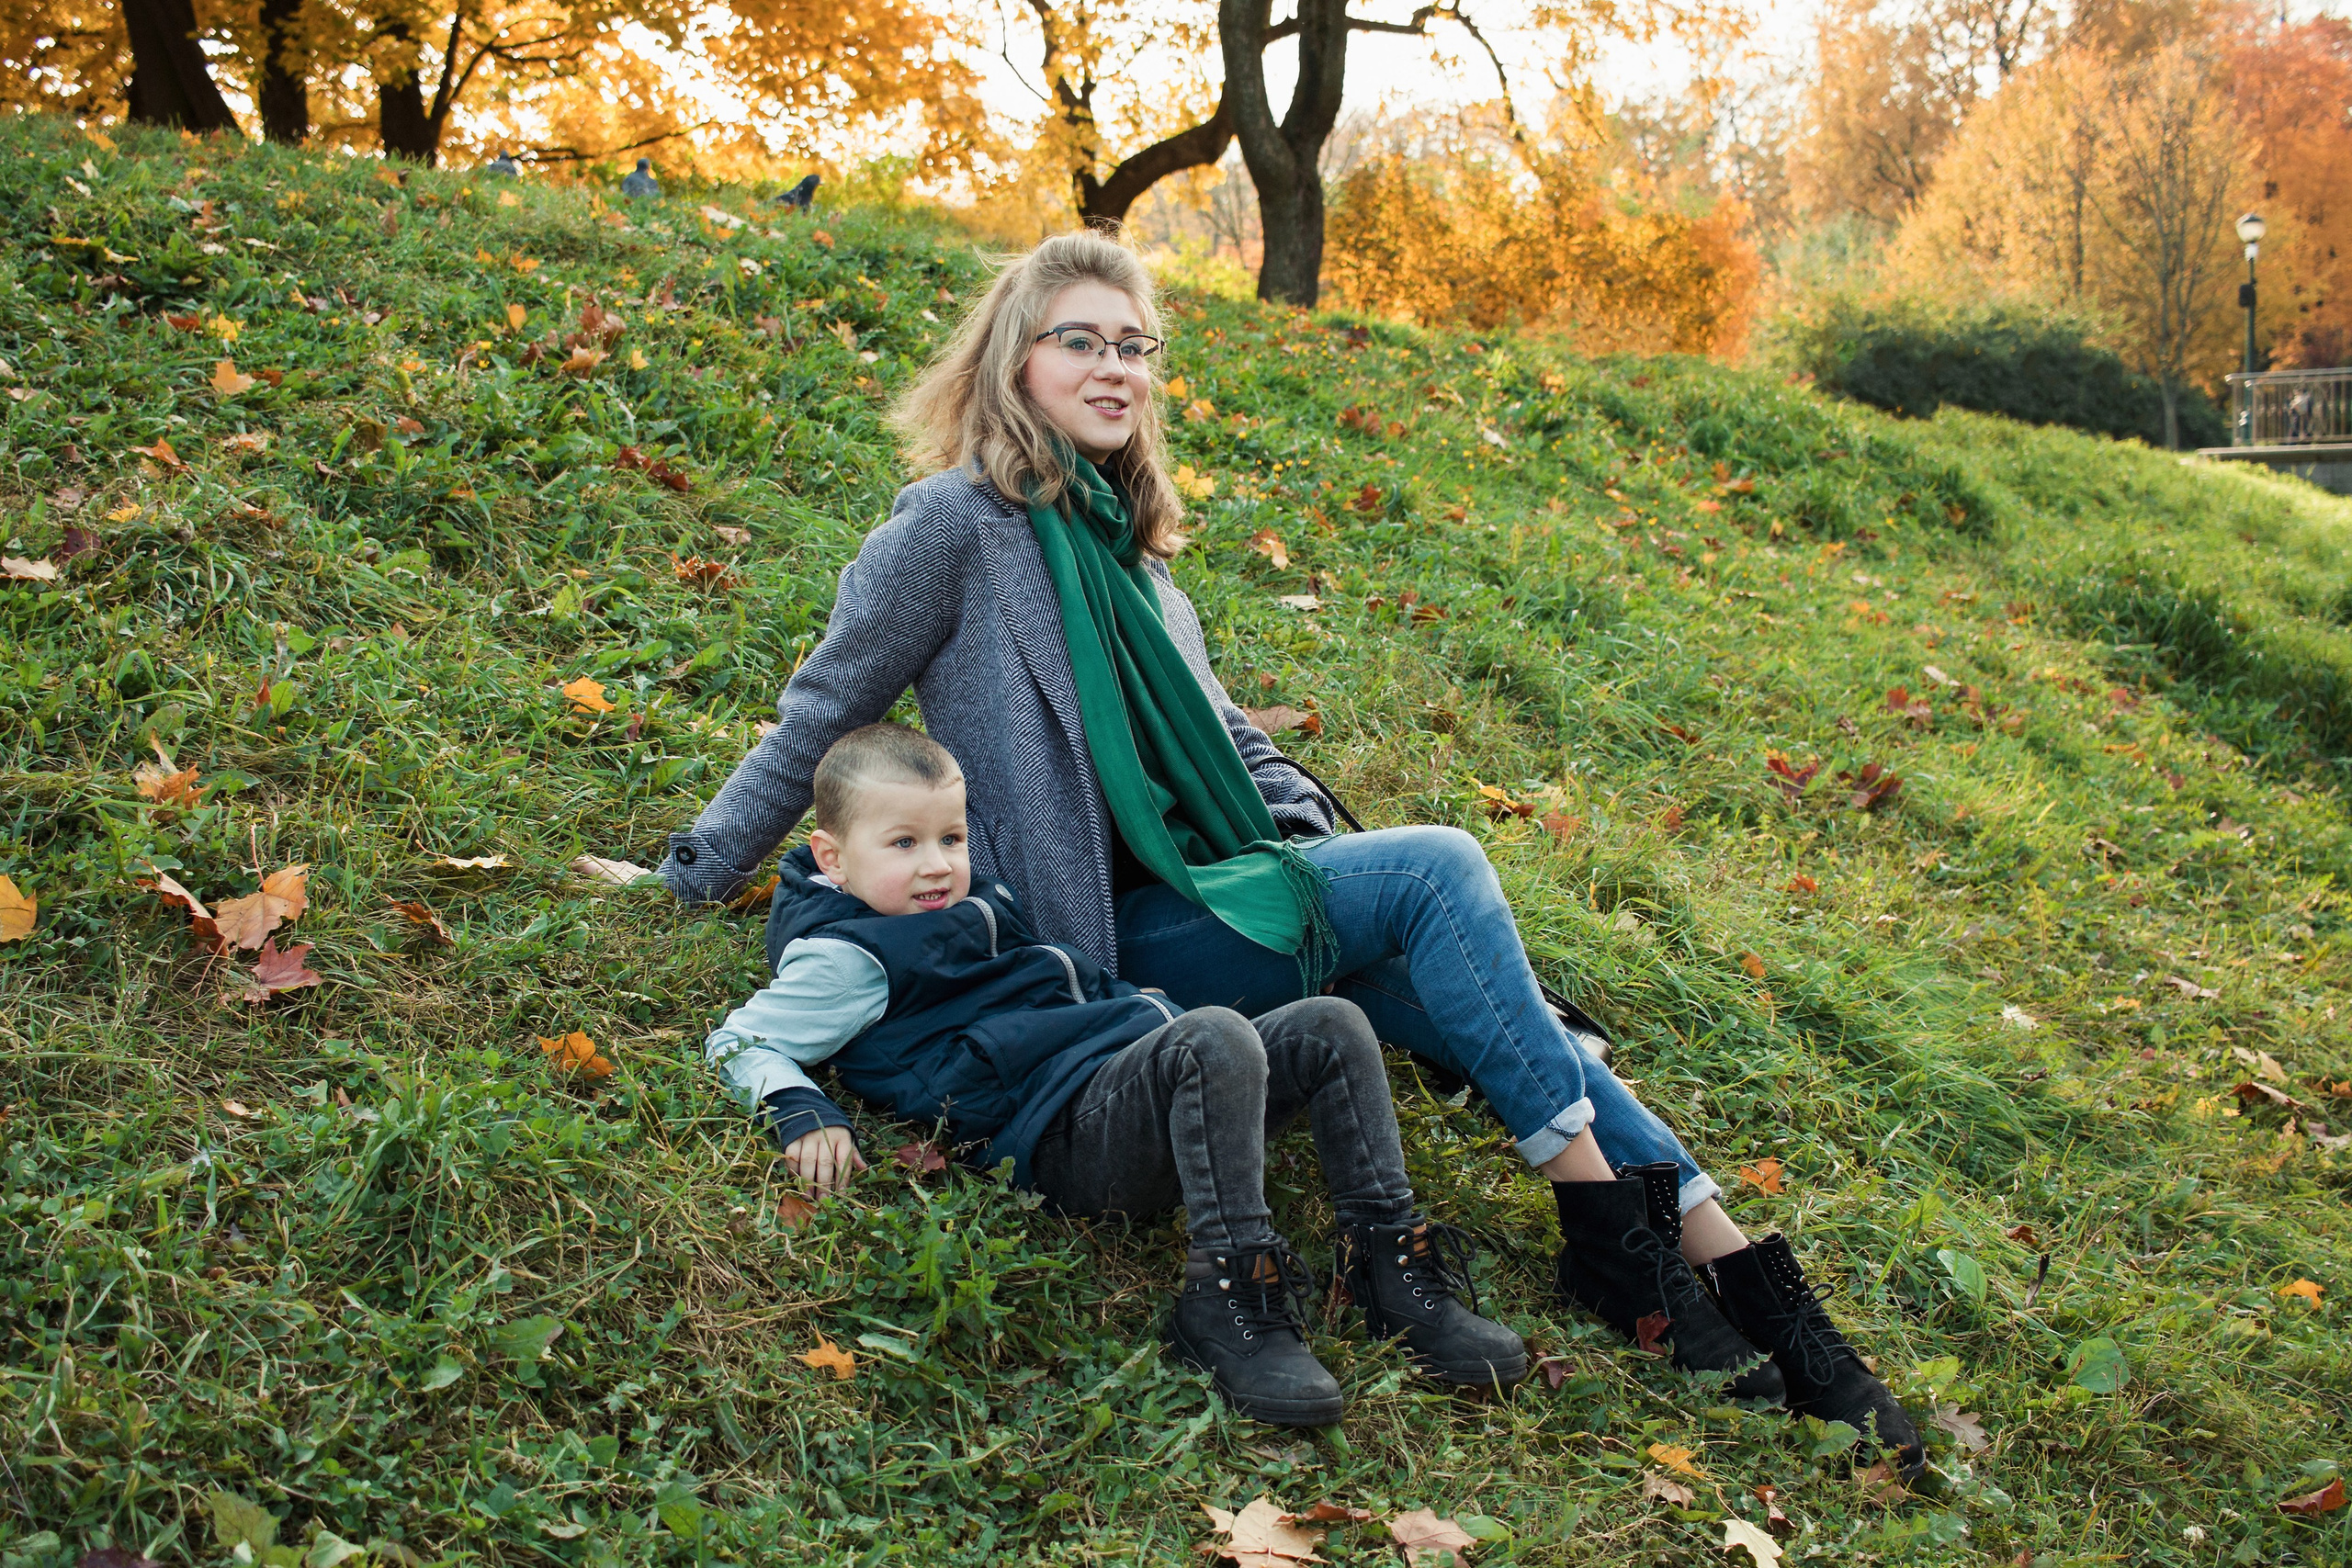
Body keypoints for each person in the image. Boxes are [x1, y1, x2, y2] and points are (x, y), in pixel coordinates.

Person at [663, 231, 1922, 1473]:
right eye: (1080, 343)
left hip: (1217, 892)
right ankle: (1613, 1230)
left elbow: (1234, 750)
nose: (1115, 368)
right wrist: (697, 869)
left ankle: (1758, 1295)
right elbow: (822, 713)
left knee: (1466, 979)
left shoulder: (1138, 561)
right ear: (1014, 360)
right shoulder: (951, 528)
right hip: (1095, 936)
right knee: (1438, 868)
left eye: (1135, 345)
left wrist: (1323, 868)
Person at [705, 721, 1528, 1425]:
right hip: (1065, 1134)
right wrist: (801, 1108)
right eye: (904, 843)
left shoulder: (967, 903)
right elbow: (741, 1039)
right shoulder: (849, 959)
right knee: (1215, 1037)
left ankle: (1389, 1265)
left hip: (1126, 1074)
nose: (936, 865)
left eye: (951, 838)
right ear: (832, 856)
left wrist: (1142, 1014)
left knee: (1333, 1024)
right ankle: (1228, 1297)